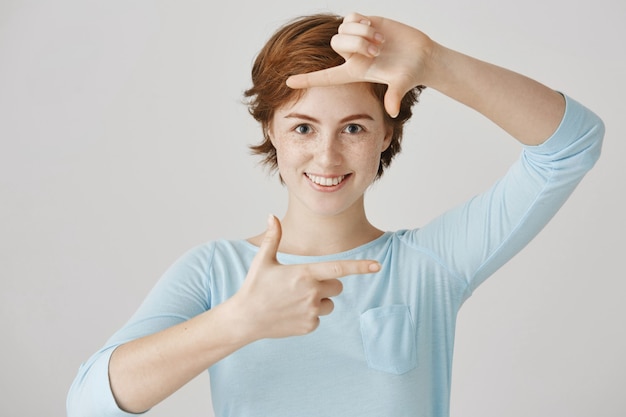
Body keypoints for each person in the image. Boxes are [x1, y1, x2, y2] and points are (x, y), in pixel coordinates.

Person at [67, 12, 604, 417]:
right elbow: (88, 403)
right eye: (302, 127)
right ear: (271, 132)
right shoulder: (217, 272)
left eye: (354, 127)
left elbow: (572, 143)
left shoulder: (430, 263)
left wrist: (434, 62)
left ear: (386, 134)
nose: (326, 156)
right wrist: (239, 321)